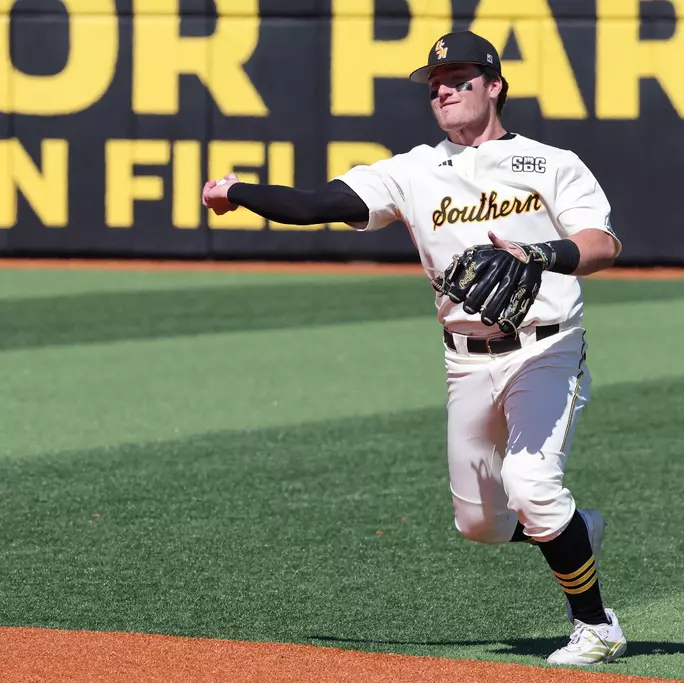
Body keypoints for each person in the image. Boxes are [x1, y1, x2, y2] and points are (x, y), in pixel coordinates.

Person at [201, 30, 626, 666]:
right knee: (479, 525)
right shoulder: (410, 171)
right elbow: (320, 203)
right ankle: (572, 532)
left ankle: (597, 627)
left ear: (494, 86)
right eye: (436, 84)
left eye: (460, 79)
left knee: (531, 485)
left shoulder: (550, 162)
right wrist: (238, 192)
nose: (445, 90)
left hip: (545, 350)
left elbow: (601, 245)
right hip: (465, 359)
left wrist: (540, 254)